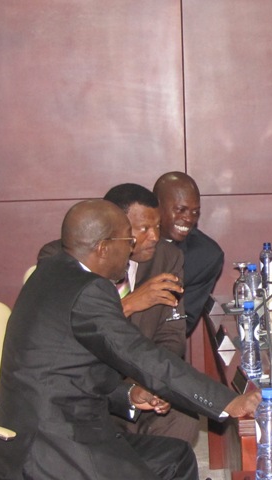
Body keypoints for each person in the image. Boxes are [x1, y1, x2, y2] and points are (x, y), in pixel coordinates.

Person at [0, 199, 260, 480]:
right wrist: (228, 401)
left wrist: (130, 395)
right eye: (128, 241)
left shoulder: (50, 272)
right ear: (103, 248)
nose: (131, 250)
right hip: (54, 448)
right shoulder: (88, 290)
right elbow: (140, 355)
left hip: (62, 429)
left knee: (176, 456)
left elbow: (68, 371)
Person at [39, 184, 197, 444]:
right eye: (144, 229)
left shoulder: (167, 258)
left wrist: (150, 383)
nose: (155, 237)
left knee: (183, 414)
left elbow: (171, 335)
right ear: (115, 229)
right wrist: (131, 303)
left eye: (157, 226)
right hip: (83, 387)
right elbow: (64, 331)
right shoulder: (61, 257)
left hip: (138, 383)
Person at [153, 172, 224, 336]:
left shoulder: (205, 256)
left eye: (195, 212)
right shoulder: (129, 240)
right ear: (157, 206)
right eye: (180, 210)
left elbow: (182, 324)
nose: (189, 219)